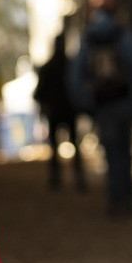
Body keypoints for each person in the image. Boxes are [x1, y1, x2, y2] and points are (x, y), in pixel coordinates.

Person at [69, 0, 132, 216]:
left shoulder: (88, 41)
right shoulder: (124, 36)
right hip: (126, 103)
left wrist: (84, 103)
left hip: (104, 106)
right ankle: (127, 196)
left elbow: (76, 76)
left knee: (112, 152)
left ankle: (117, 198)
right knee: (125, 150)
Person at [35, 28, 86, 191]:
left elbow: (39, 93)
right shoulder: (71, 66)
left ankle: (56, 180)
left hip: (56, 111)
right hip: (68, 110)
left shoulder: (49, 67)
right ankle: (78, 180)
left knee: (56, 148)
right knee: (73, 146)